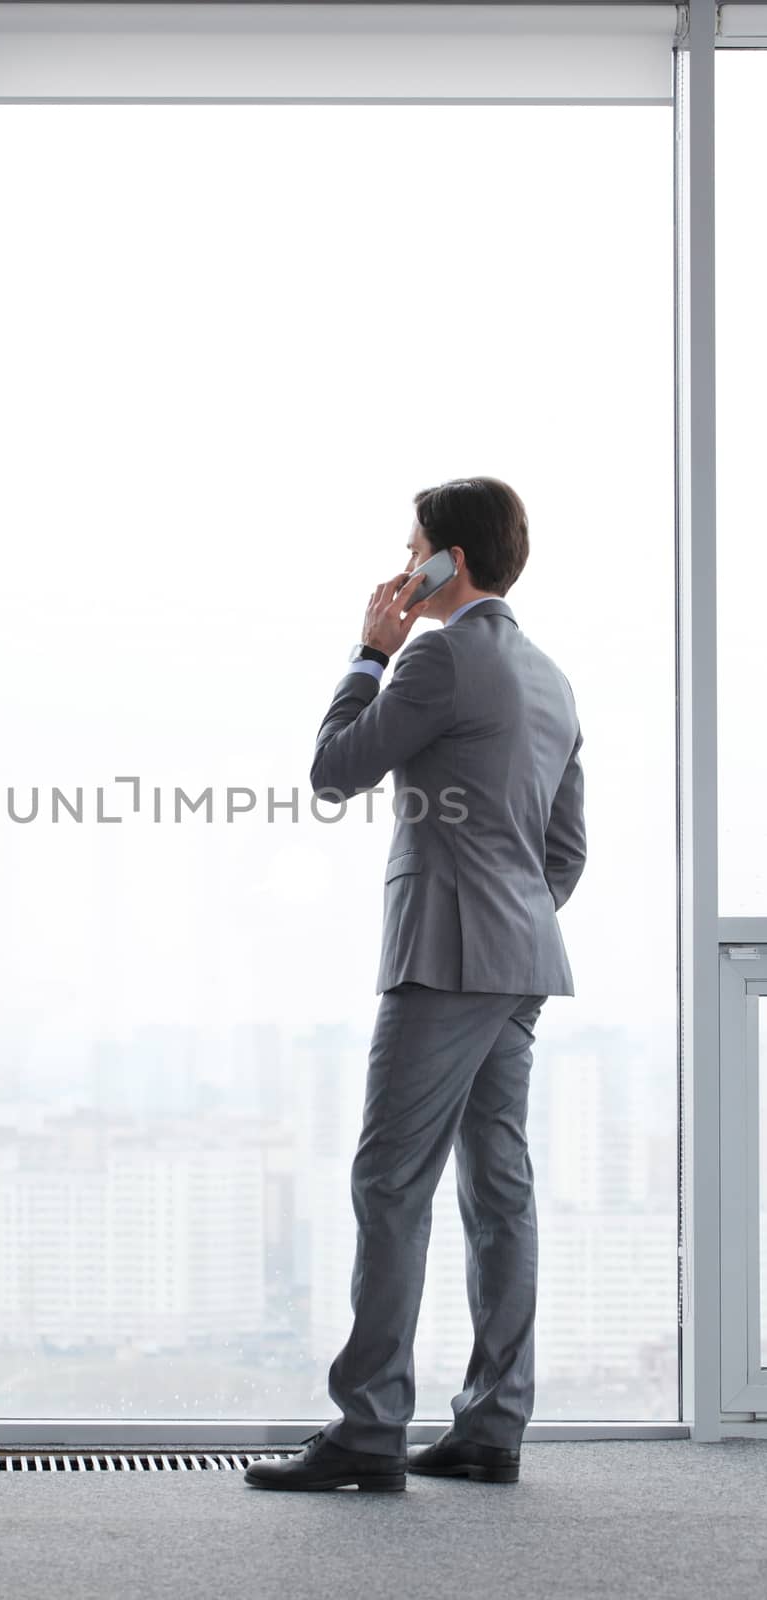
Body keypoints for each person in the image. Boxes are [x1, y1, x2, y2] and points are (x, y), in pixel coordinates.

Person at [245, 476, 587, 1493]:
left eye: (413, 547)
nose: (402, 564)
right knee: (498, 1193)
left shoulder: (436, 655)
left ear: (451, 559)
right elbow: (563, 850)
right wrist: (512, 913)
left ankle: (366, 1430)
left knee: (389, 1182)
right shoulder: (550, 675)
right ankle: (490, 1425)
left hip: (445, 959)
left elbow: (334, 769)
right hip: (519, 961)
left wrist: (367, 654)